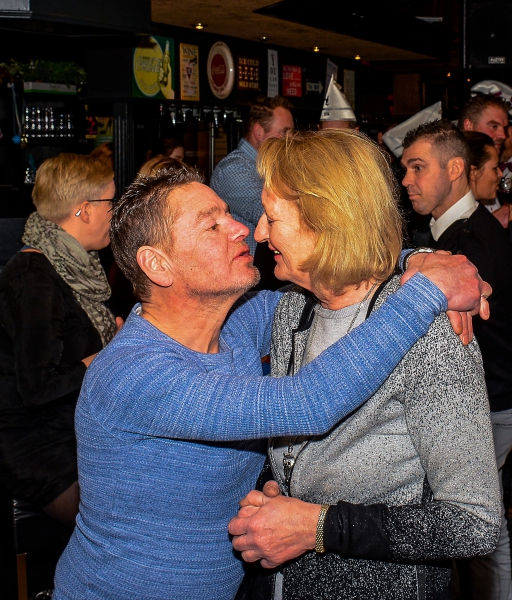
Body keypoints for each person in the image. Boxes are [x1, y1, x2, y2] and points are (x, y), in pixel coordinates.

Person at [52, 162, 489, 600]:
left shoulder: (239, 322)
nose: (243, 229)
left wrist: (418, 261)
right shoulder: (132, 374)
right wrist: (425, 294)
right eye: (212, 226)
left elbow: (337, 273)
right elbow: (308, 403)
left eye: (228, 214)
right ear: (158, 265)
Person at [228, 129, 500, 600]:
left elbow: (474, 523)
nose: (259, 233)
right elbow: (302, 451)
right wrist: (278, 491)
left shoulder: (430, 331)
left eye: (271, 217)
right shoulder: (293, 309)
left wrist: (319, 526)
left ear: (326, 221)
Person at [402, 120, 512, 600]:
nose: (407, 180)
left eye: (417, 168)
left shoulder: (472, 244)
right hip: (485, 400)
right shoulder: (448, 232)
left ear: (454, 170)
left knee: (476, 525)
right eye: (406, 169)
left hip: (492, 404)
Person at [0, 153, 119, 528]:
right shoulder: (33, 278)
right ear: (84, 209)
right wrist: (103, 356)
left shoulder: (71, 266)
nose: (114, 213)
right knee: (124, 527)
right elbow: (39, 388)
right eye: (110, 202)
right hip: (35, 443)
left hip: (70, 429)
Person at [210, 95, 294, 256]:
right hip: (247, 268)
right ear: (259, 132)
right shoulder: (235, 168)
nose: (290, 139)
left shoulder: (270, 166)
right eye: (284, 132)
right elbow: (273, 215)